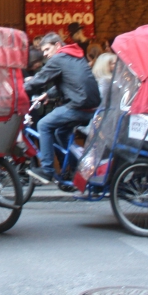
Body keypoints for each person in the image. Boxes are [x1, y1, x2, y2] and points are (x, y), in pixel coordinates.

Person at [24, 32, 102, 184]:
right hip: (91, 106)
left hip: (79, 106)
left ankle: (47, 170)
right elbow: (70, 81)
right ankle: (76, 171)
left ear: (58, 45)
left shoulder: (58, 58)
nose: (45, 54)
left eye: (47, 49)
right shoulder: (75, 56)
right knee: (61, 133)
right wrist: (48, 94)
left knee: (43, 124)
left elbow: (40, 79)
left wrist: (19, 91)